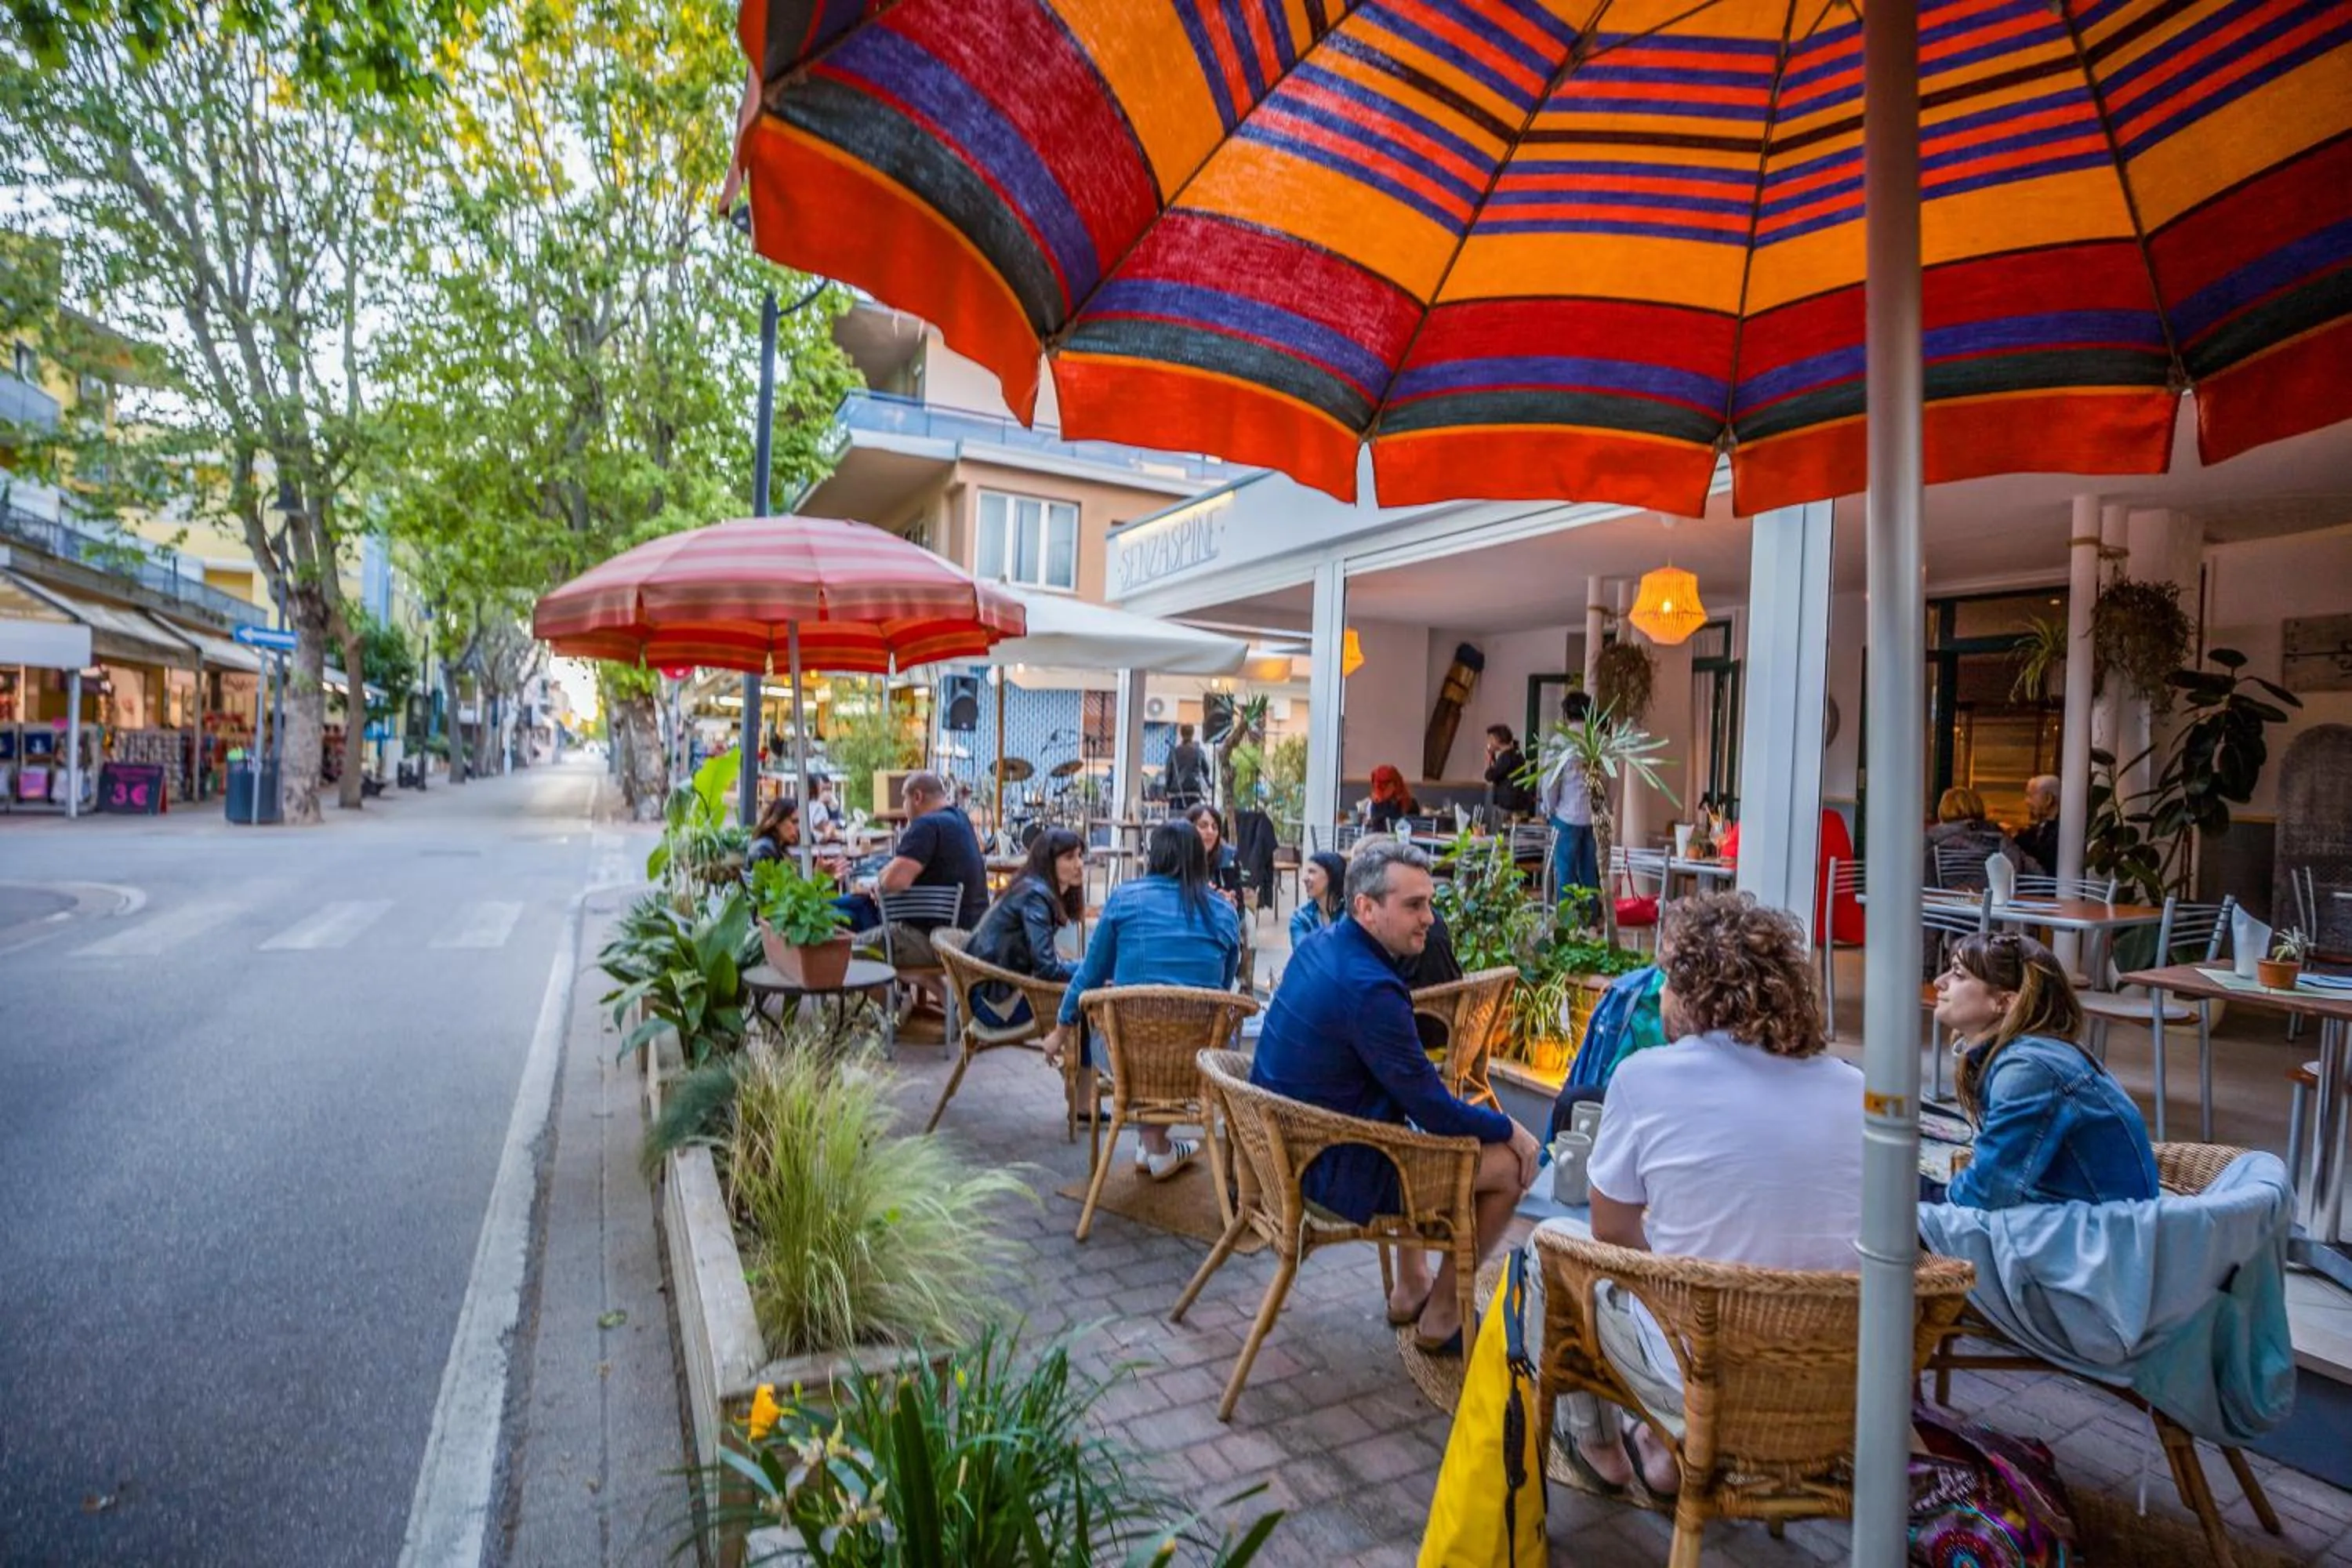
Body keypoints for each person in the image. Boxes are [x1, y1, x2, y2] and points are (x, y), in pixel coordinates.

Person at [1563, 892, 1864, 1496]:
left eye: (1668, 978)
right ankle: (1658, 1444)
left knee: (1554, 1253)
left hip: (1699, 1373)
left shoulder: (1645, 1077)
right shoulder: (1854, 1089)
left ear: (1693, 989)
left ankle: (1604, 1449)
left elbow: (1611, 1230)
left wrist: (1682, 1266)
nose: (1659, 995)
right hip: (1835, 1382)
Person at [1250, 837, 1541, 1355]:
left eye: (1430, 902)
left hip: (1283, 1152)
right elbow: (1432, 1107)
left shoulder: (1322, 944)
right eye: (1414, 905)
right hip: (1331, 1169)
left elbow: (1413, 1102)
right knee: (1509, 1167)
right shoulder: (1370, 988)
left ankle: (1412, 1289)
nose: (1429, 918)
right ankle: (1444, 1316)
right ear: (1365, 907)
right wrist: (1512, 1130)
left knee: (1417, 1135)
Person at [1044, 819, 1241, 1178]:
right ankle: (1155, 1145)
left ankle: (1155, 1146)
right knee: (1200, 1035)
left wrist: (1060, 1029)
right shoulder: (1225, 912)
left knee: (1129, 1034)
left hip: (1128, 1054)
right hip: (1197, 1058)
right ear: (1201, 860)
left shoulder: (1125, 898)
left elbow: (1089, 975)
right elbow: (1222, 988)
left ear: (1155, 855)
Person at [1934, 931, 2158, 1209]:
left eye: (1957, 974)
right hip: (2080, 1218)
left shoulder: (2027, 1069)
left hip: (2095, 1236)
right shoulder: (2029, 1053)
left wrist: (1930, 1199)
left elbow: (1986, 1194)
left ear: (2004, 1001)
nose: (1938, 983)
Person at [835, 771, 987, 986]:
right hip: (968, 935)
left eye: (903, 799)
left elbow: (895, 881)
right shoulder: (960, 819)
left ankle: (883, 1015)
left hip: (933, 940)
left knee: (850, 953)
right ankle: (942, 999)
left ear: (917, 797)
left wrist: (879, 882)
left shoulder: (926, 825)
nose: (903, 806)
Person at [963, 826, 1084, 1027]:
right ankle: (1082, 1059)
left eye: (1080, 856)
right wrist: (1092, 968)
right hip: (994, 1004)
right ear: (1049, 862)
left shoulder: (1032, 887)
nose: (1079, 864)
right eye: (1069, 857)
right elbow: (1047, 969)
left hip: (990, 991)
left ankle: (1082, 1057)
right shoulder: (1035, 896)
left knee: (1089, 985)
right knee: (1088, 999)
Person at [1540, 692, 1599, 902]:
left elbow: (1550, 781)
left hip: (1566, 815)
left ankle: (1568, 924)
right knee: (1590, 872)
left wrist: (1550, 807)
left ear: (1566, 714)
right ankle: (1591, 923)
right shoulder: (1600, 740)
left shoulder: (1560, 741)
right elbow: (1612, 780)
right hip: (1594, 817)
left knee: (1565, 873)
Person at [1926, 786, 2033, 887]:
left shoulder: (1932, 840)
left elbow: (1919, 878)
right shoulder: (1999, 838)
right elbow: (2030, 872)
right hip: (1991, 903)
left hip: (1942, 904)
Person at [1287, 850, 1348, 952]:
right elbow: (1305, 956)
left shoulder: (1351, 914)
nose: (1305, 878)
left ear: (1331, 876)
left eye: (1312, 872)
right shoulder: (1301, 918)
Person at [1186, 803, 1243, 905]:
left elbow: (1239, 904)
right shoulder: (1178, 860)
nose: (1210, 832)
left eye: (1214, 827)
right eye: (1203, 826)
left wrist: (1230, 901)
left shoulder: (1229, 857)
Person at [1484, 724, 1536, 818]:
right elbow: (1500, 773)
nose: (1489, 743)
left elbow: (1490, 776)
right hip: (1517, 805)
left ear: (1497, 739)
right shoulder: (1516, 754)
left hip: (1507, 808)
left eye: (1490, 739)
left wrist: (1489, 760)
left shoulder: (1506, 757)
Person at [2014, 774, 2060, 879]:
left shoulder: (2060, 832)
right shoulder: (2039, 829)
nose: (2027, 801)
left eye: (2031, 795)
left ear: (2048, 799)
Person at [744, 796, 800, 869]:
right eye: (794, 822)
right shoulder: (764, 850)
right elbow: (772, 879)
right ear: (778, 822)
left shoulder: (779, 848)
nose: (798, 828)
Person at [1165, 723, 1210, 812]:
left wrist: (1166, 790)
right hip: (1194, 792)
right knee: (1193, 819)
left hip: (1176, 793)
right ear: (1192, 734)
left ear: (1181, 734)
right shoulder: (1199, 752)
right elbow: (1206, 771)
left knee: (1176, 820)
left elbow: (1168, 773)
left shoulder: (1174, 752)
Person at [1365, 764, 1417, 831]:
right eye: (1378, 787)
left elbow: (1415, 829)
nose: (1381, 790)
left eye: (1384, 786)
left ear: (1395, 784)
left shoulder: (1411, 804)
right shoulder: (1376, 804)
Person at [806, 773, 844, 843]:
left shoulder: (831, 804)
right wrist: (818, 803)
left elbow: (841, 823)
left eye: (829, 790)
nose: (827, 793)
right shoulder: (812, 806)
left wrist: (835, 810)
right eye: (823, 789)